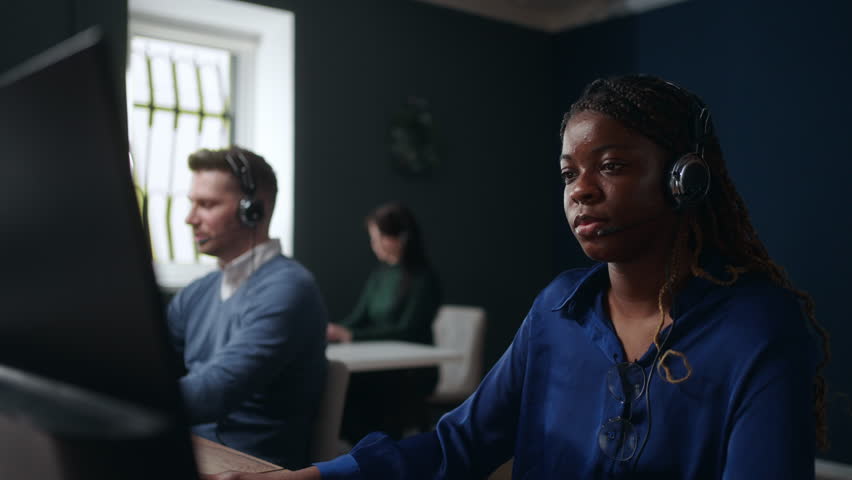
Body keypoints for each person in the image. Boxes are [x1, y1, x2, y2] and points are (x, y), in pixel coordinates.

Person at [201, 76, 830, 479]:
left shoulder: (758, 327)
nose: (580, 190)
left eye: (611, 166)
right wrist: (311, 477)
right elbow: (457, 445)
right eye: (568, 173)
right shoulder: (558, 309)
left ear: (683, 180)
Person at [168, 146, 328, 469]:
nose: (190, 218)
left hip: (252, 466)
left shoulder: (289, 288)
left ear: (253, 209)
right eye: (192, 203)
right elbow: (153, 360)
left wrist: (127, 394)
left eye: (207, 204)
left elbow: (215, 393)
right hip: (193, 452)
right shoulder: (197, 292)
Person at [326, 202, 441, 442]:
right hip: (381, 366)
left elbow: (407, 331)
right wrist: (336, 331)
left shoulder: (423, 279)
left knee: (358, 388)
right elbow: (359, 317)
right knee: (340, 382)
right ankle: (361, 449)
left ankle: (375, 450)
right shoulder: (380, 274)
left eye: (378, 238)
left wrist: (353, 336)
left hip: (411, 371)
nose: (374, 244)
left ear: (399, 238)